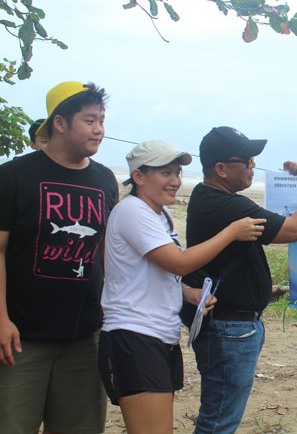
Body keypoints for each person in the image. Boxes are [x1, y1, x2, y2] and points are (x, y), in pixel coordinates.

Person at [98, 140, 266, 434]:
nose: (175, 181)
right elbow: (179, 263)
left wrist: (186, 292)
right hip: (134, 335)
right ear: (138, 176)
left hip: (159, 334)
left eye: (177, 173)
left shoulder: (160, 214)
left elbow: (156, 271)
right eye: (165, 173)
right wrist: (231, 231)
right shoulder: (132, 211)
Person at [186, 126, 297, 434]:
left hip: (232, 328)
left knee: (220, 417)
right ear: (220, 169)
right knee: (218, 422)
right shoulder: (226, 205)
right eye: (246, 160)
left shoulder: (216, 198)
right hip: (229, 330)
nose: (253, 166)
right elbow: (290, 230)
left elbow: (280, 219)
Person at [0, 81, 117, 433]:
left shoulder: (104, 180)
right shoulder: (14, 176)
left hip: (84, 334)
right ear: (60, 123)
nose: (99, 129)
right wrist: (1, 318)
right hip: (21, 336)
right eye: (89, 120)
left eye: (101, 120)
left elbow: (105, 251)